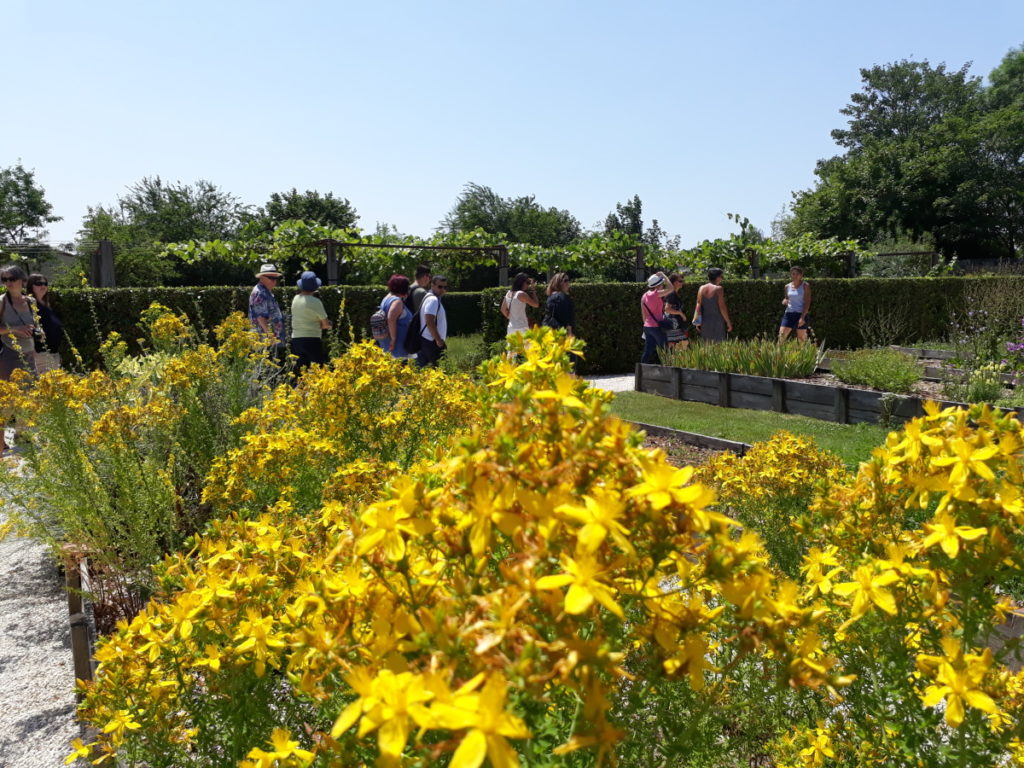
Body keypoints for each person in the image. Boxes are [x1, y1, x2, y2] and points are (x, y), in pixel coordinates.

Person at [0, 265, 37, 453]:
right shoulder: (2, 302)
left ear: (22, 280)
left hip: (29, 354)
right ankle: (1, 442)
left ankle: (20, 434)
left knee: (27, 396)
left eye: (11, 279)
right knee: (6, 399)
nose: (8, 283)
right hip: (8, 354)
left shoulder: (31, 301)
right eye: (4, 280)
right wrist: (14, 330)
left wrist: (40, 332)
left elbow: (36, 324)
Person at [290, 270, 330, 374]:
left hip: (296, 339)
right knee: (317, 371)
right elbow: (325, 325)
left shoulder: (295, 299)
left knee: (300, 372)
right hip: (312, 339)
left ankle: (298, 390)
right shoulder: (316, 302)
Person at [27, 273, 63, 374]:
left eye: (45, 283)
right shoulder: (28, 304)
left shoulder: (47, 305)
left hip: (53, 354)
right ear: (31, 286)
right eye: (38, 283)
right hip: (40, 355)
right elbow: (27, 329)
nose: (43, 286)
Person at [249, 263, 286, 355]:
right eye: (271, 278)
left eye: (275, 278)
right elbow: (260, 317)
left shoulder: (266, 291)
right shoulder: (261, 292)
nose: (274, 281)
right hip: (264, 339)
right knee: (264, 367)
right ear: (262, 278)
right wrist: (270, 336)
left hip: (267, 339)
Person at [416, 275, 448, 367]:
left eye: (445, 287)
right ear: (432, 285)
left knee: (423, 369)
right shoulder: (433, 300)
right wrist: (439, 340)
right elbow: (429, 321)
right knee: (441, 370)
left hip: (427, 340)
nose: (442, 289)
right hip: (432, 342)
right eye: (440, 286)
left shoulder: (429, 297)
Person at [378, 274, 413, 359]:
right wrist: (393, 340)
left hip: (387, 344)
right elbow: (391, 319)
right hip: (398, 347)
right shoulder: (397, 301)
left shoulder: (386, 298)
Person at [693, 267, 732, 343]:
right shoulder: (718, 289)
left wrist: (697, 321)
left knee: (707, 345)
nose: (722, 279)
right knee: (718, 345)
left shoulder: (701, 288)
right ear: (717, 277)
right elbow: (722, 307)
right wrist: (728, 321)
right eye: (721, 276)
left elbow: (698, 305)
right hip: (717, 320)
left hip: (705, 321)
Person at [640, 272, 671, 364]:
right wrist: (664, 275)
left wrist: (645, 327)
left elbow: (643, 313)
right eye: (662, 284)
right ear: (658, 285)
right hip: (657, 326)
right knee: (665, 349)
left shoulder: (644, 296)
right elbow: (671, 288)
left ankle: (641, 371)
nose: (663, 285)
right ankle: (668, 370)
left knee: (648, 351)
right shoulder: (656, 294)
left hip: (647, 326)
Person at [501, 272, 540, 338]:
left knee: (513, 347)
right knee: (524, 347)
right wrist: (533, 291)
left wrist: (512, 318)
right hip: (522, 327)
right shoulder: (521, 294)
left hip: (511, 327)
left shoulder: (508, 293)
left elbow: (503, 309)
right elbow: (536, 305)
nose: (528, 285)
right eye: (527, 282)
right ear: (522, 282)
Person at [779, 266, 812, 342]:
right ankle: (779, 354)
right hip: (789, 314)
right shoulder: (787, 286)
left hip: (801, 314)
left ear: (801, 275)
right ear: (791, 275)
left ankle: (804, 354)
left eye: (797, 274)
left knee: (801, 339)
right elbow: (787, 298)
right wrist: (784, 300)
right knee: (781, 336)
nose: (795, 276)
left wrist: (802, 317)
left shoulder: (805, 286)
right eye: (793, 274)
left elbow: (807, 302)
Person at [663, 273, 688, 349]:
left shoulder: (674, 293)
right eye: (680, 281)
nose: (682, 283)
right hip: (673, 325)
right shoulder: (671, 294)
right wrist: (680, 313)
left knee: (678, 346)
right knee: (680, 345)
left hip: (675, 324)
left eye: (682, 281)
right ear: (674, 282)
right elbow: (667, 308)